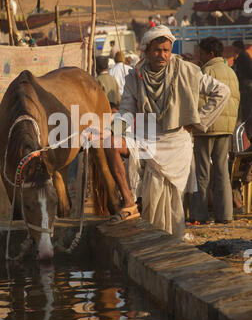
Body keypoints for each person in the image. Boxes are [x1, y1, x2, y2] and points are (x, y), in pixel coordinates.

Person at [103, 26, 230, 238]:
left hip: (176, 142)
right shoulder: (135, 76)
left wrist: (198, 122)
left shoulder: (186, 71)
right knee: (110, 144)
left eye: (166, 50)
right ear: (146, 50)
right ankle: (129, 203)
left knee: (171, 201)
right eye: (157, 50)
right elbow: (125, 110)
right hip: (147, 139)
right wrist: (113, 132)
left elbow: (222, 92)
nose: (162, 55)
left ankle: (171, 239)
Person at [189, 37, 240, 225]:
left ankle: (199, 215)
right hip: (226, 128)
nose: (199, 56)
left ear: (210, 54)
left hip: (207, 127)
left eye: (201, 53)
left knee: (202, 173)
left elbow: (198, 101)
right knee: (222, 172)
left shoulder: (206, 71)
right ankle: (225, 215)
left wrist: (195, 122)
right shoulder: (230, 72)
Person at [232, 40, 252, 122]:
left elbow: (248, 70)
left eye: (234, 47)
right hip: (244, 83)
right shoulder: (241, 56)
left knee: (246, 105)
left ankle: (246, 122)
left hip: (245, 84)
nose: (233, 49)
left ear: (237, 47)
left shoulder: (244, 56)